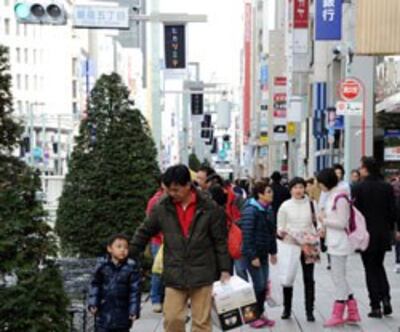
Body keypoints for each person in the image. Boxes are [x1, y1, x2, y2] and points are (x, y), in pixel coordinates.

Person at [130, 164, 231, 332]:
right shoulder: (162, 208)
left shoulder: (209, 208)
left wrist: (225, 269)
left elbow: (220, 240)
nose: (171, 194)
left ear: (188, 185)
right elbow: (144, 231)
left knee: (201, 323)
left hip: (203, 272)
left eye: (176, 190)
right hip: (175, 272)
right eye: (168, 189)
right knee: (172, 319)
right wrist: (130, 253)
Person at [352, 157, 400, 318]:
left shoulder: (358, 188)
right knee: (379, 266)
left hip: (365, 234)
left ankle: (375, 306)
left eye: (361, 167)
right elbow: (393, 212)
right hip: (382, 233)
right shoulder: (387, 187)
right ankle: (386, 299)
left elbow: (355, 214)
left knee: (370, 269)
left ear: (366, 169)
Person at [317, 169, 361, 327]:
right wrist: (324, 226)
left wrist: (324, 220)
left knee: (338, 278)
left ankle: (338, 312)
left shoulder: (340, 197)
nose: (319, 186)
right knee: (339, 277)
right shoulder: (333, 195)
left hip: (340, 243)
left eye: (320, 183)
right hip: (334, 241)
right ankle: (353, 312)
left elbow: (342, 223)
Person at [277, 177, 317, 322]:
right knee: (288, 277)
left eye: (301, 187)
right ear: (291, 189)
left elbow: (317, 223)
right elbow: (280, 227)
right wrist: (286, 233)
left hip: (309, 245)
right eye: (295, 187)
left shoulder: (312, 204)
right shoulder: (285, 206)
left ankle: (309, 311)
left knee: (309, 278)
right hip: (290, 245)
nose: (298, 190)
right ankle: (287, 309)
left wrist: (318, 233)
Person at [238, 181, 277, 328]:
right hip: (252, 255)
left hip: (264, 253)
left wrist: (273, 252)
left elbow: (271, 232)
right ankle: (251, 317)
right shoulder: (250, 210)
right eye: (268, 191)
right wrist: (252, 256)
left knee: (263, 285)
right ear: (260, 194)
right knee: (258, 285)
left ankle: (259, 314)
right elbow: (247, 235)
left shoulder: (268, 209)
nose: (271, 194)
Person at [88, 234, 141, 332]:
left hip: (123, 312)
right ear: (109, 249)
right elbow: (95, 284)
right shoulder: (102, 266)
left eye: (125, 247)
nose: (122, 250)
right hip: (104, 310)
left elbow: (135, 291)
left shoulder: (131, 267)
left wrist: (133, 310)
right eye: (119, 247)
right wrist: (93, 303)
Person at [146, 182, 165, 313]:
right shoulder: (155, 200)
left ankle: (163, 298)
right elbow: (150, 222)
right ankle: (156, 299)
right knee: (158, 271)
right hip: (158, 241)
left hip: (172, 241)